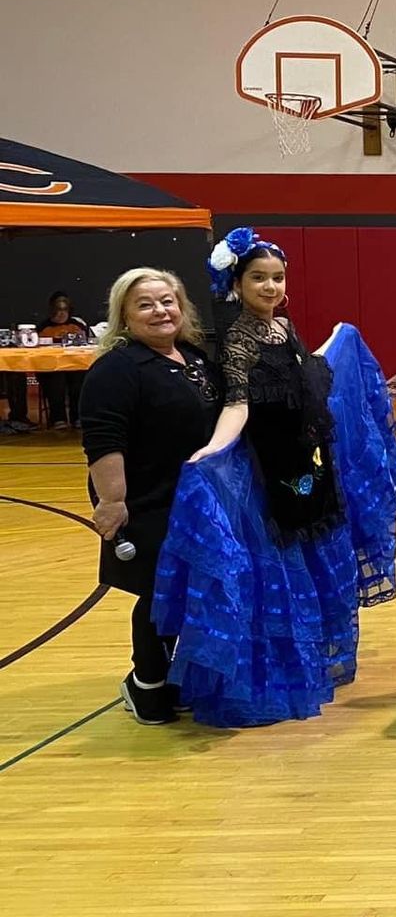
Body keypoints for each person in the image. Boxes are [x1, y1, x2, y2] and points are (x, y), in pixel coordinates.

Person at [153, 227, 396, 726]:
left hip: (308, 465)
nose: (269, 287)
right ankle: (276, 678)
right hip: (272, 475)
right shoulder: (238, 339)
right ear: (237, 283)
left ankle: (312, 661)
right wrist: (215, 449)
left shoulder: (283, 328)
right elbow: (238, 402)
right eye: (258, 278)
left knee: (313, 566)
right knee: (282, 575)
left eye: (277, 278)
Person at [78, 268, 221, 725]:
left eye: (167, 301)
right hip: (144, 500)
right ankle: (146, 685)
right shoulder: (116, 369)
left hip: (195, 502)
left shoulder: (196, 358)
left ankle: (171, 676)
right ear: (124, 315)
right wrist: (113, 502)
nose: (160, 311)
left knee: (190, 592)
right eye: (145, 304)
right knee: (162, 594)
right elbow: (103, 440)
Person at [37, 291, 91, 430]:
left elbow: (86, 343)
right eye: (58, 310)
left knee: (79, 379)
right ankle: (58, 418)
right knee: (56, 380)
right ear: (52, 311)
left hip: (75, 365)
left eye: (65, 310)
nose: (61, 313)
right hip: (51, 367)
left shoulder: (77, 325)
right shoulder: (43, 327)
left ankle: (78, 416)